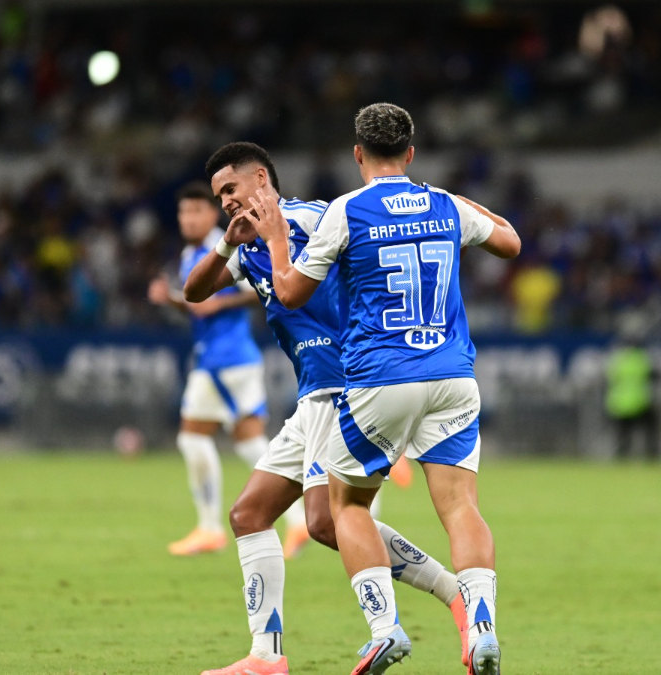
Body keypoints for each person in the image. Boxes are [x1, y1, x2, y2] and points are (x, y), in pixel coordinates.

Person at [247, 103, 520, 675]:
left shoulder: (347, 211)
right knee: (460, 506)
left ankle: (384, 628)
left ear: (357, 154)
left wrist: (275, 239)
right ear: (412, 153)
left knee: (344, 505)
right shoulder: (445, 205)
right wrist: (456, 203)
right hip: (453, 376)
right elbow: (510, 243)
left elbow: (291, 293)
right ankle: (483, 626)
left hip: (382, 379)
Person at [183, 142, 466, 675]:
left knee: (325, 520)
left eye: (230, 190)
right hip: (311, 397)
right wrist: (226, 244)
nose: (224, 201)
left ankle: (451, 594)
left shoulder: (313, 219)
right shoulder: (245, 246)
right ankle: (266, 657)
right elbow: (194, 292)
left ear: (260, 179)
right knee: (249, 515)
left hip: (348, 386)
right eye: (219, 195)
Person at [147, 182, 277, 556]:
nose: (188, 219)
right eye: (183, 213)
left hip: (228, 358)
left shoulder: (231, 243)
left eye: (196, 212)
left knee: (198, 438)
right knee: (249, 442)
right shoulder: (193, 253)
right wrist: (171, 300)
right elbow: (196, 305)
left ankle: (210, 528)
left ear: (211, 213)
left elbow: (262, 286)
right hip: (219, 359)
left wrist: (219, 306)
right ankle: (299, 521)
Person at [604, 334, 660, 460]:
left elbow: (608, 380)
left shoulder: (616, 360)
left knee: (623, 436)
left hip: (619, 404)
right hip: (639, 403)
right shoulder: (641, 359)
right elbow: (654, 376)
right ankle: (652, 456)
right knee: (651, 429)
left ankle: (621, 458)